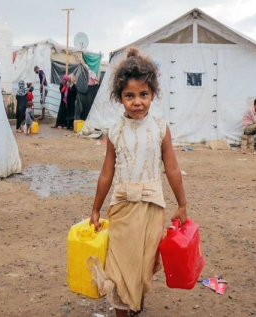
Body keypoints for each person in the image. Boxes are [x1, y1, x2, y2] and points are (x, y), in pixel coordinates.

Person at [88, 47, 188, 317]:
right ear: (119, 98)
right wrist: (96, 208)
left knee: (144, 264)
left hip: (152, 207)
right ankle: (123, 308)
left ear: (152, 94)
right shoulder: (115, 131)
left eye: (143, 94)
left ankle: (136, 304)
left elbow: (172, 168)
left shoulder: (160, 127)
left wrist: (182, 204)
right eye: (129, 96)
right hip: (122, 207)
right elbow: (107, 173)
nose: (137, 102)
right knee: (121, 265)